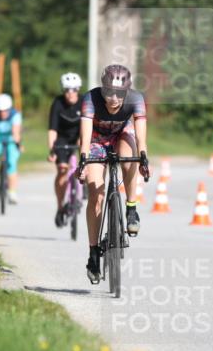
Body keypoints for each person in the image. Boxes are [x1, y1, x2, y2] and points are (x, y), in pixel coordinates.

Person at [76, 64, 150, 284]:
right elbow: (85, 137)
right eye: (109, 92)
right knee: (96, 193)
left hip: (121, 136)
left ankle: (131, 208)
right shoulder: (90, 99)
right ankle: (93, 253)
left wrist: (144, 157)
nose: (114, 98)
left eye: (119, 93)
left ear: (126, 91)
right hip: (96, 140)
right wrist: (83, 162)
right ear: (102, 89)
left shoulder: (136, 99)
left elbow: (140, 135)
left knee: (131, 156)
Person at [47, 72, 82, 227]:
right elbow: (52, 129)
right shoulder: (58, 103)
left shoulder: (83, 103)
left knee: (88, 162)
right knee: (62, 169)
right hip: (61, 139)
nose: (70, 93)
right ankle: (61, 206)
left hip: (80, 136)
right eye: (67, 90)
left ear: (78, 90)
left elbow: (88, 126)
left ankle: (84, 188)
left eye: (73, 89)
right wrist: (52, 150)